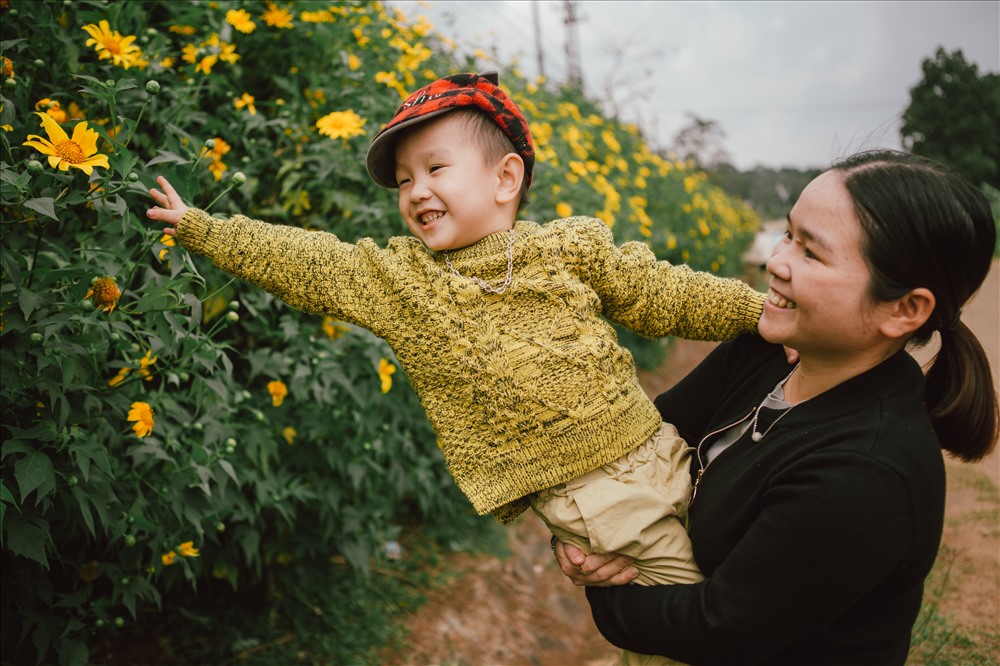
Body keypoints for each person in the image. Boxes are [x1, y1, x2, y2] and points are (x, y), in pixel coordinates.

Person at [146, 73, 765, 602]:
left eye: (434, 168)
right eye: (403, 180)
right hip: (592, 495)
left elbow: (662, 292)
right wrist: (204, 229)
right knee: (692, 627)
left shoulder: (567, 247)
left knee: (739, 569)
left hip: (663, 451)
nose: (415, 190)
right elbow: (310, 261)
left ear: (505, 179)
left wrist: (763, 313)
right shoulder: (404, 281)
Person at [553, 149, 999, 666]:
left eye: (812, 253)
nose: (775, 261)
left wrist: (607, 590)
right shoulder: (766, 352)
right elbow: (632, 444)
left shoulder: (866, 473)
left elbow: (720, 629)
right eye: (789, 234)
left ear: (904, 309)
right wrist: (584, 543)